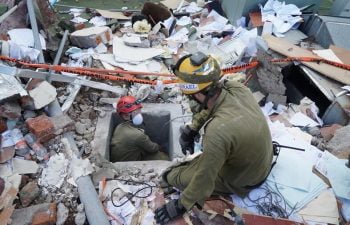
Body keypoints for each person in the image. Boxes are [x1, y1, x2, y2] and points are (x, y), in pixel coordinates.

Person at [154, 52, 273, 224]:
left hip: (244, 179)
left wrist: (181, 205)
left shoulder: (217, 131)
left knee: (173, 176)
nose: (191, 100)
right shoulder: (237, 89)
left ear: (199, 93)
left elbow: (205, 178)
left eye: (190, 96)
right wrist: (192, 129)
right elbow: (210, 107)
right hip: (259, 163)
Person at [110, 96, 169, 162]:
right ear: (125, 116)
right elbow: (153, 148)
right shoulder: (138, 136)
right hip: (129, 164)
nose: (139, 114)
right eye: (136, 112)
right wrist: (160, 147)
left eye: (139, 110)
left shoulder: (119, 127)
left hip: (121, 158)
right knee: (163, 157)